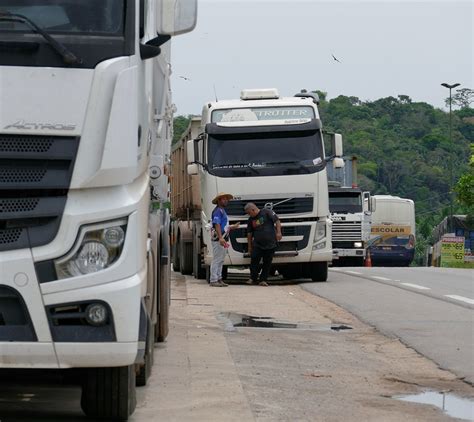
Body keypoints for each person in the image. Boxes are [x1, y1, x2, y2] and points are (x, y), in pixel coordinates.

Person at [245, 203, 282, 286]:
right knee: (254, 261)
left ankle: (263, 280)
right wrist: (249, 247)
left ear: (253, 209)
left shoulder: (267, 212)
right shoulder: (251, 219)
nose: (249, 215)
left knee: (267, 262)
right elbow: (249, 234)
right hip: (257, 245)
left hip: (270, 243)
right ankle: (253, 278)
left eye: (249, 213)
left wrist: (279, 232)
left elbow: (277, 221)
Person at [209, 192, 239, 287]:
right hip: (219, 238)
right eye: (224, 199)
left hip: (222, 238)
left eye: (227, 199)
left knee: (221, 260)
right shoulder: (218, 211)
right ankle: (214, 279)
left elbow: (222, 225)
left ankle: (218, 278)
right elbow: (217, 224)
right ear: (219, 200)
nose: (226, 200)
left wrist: (232, 226)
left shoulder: (222, 210)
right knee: (217, 259)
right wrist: (221, 237)